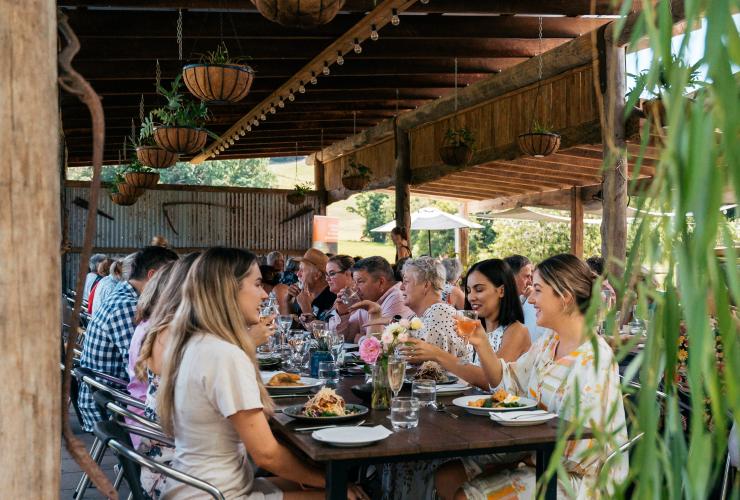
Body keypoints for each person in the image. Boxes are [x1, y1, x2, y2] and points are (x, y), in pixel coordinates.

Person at [156, 247, 367, 499]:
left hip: (196, 484)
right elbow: (266, 455)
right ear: (228, 290)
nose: (264, 295)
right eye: (256, 284)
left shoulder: (197, 341)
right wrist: (332, 483)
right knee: (351, 495)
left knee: (311, 481)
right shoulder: (225, 354)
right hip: (215, 494)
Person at [434, 254, 628, 499]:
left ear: (565, 298)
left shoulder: (594, 359)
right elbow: (506, 381)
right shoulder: (549, 342)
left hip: (577, 477)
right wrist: (482, 343)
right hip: (535, 453)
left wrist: (514, 463)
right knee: (447, 476)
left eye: (538, 290)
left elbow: (583, 449)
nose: (530, 298)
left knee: (466, 495)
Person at [77, 245, 178, 432]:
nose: (178, 285)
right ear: (153, 275)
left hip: (109, 399)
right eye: (174, 278)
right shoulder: (128, 307)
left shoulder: (125, 296)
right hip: (109, 408)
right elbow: (145, 372)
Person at [402, 259, 530, 388]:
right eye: (468, 290)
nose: (471, 297)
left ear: (501, 291)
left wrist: (437, 354)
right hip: (474, 404)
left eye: (479, 290)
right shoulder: (479, 330)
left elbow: (491, 381)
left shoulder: (517, 331)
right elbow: (465, 367)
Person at [397, 256, 471, 361]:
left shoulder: (439, 312)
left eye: (406, 281)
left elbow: (422, 363)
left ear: (426, 285)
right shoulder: (420, 315)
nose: (401, 287)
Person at [337, 257, 413, 343]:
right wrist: (343, 313)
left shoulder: (398, 297)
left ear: (381, 282)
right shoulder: (368, 298)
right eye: (354, 282)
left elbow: (382, 344)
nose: (355, 288)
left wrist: (359, 338)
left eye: (360, 281)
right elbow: (344, 337)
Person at [504, 254, 550, 343]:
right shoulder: (494, 303)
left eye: (531, 277)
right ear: (510, 277)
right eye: (527, 276)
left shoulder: (530, 303)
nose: (530, 281)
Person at [287, 248, 337, 324]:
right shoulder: (303, 293)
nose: (298, 274)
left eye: (302, 270)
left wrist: (306, 309)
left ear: (317, 275)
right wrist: (288, 301)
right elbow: (292, 326)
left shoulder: (332, 298)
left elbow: (325, 333)